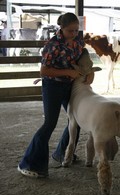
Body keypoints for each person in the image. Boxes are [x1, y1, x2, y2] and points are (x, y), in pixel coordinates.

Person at [17, 12, 94, 178]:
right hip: (52, 86)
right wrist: (67, 71)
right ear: (62, 28)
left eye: (76, 30)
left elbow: (83, 53)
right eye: (70, 31)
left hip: (69, 85)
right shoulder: (52, 45)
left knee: (76, 119)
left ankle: (62, 153)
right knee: (50, 123)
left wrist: (90, 72)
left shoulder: (77, 40)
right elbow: (44, 71)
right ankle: (29, 163)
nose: (74, 34)